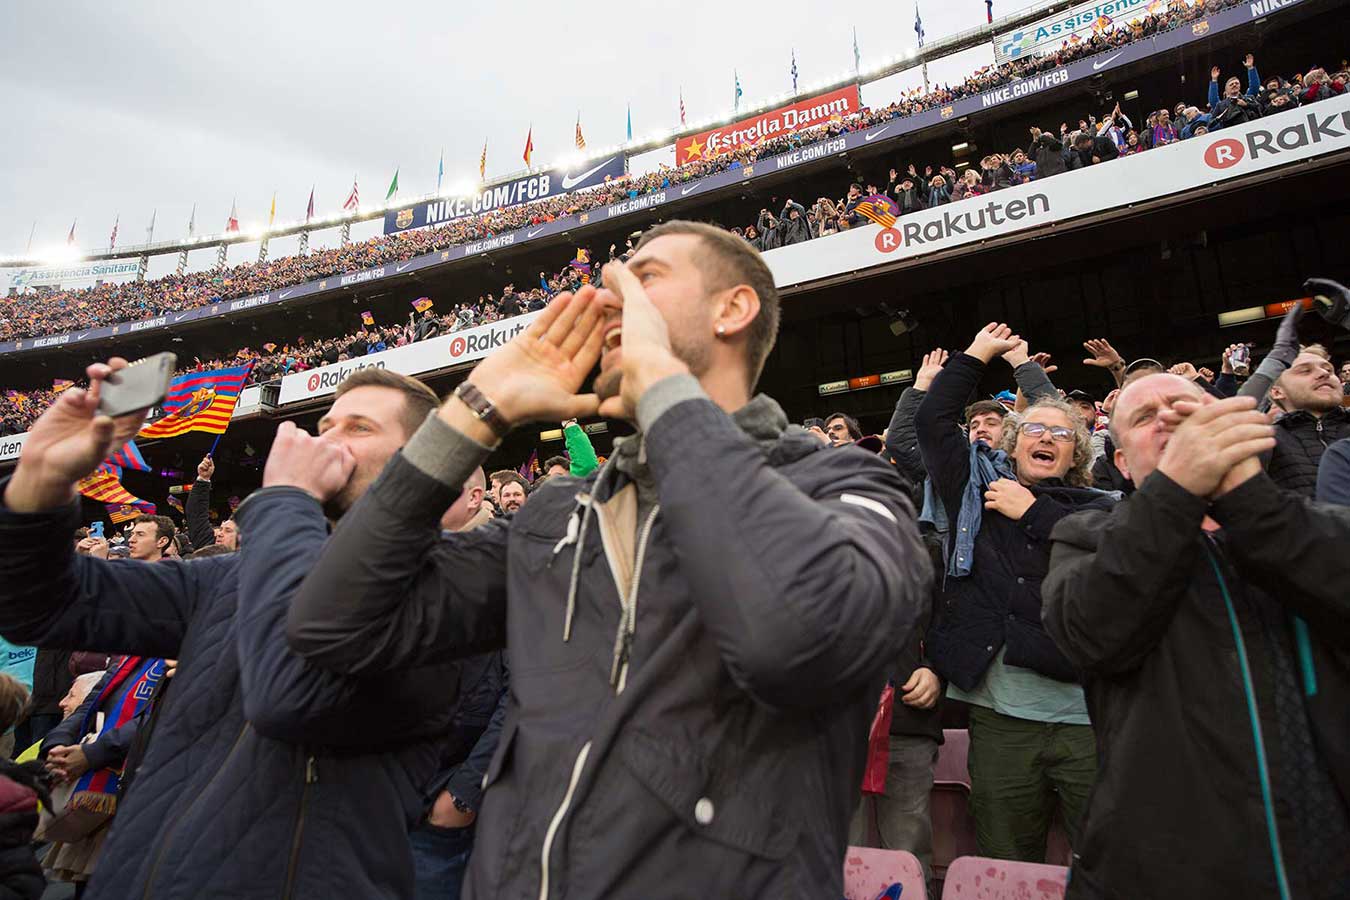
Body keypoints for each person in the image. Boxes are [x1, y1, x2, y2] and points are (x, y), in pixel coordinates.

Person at [284, 220, 932, 898]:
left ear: (732, 310)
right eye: (611, 280)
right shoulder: (554, 514)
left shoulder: (845, 487)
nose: (607, 298)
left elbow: (795, 636)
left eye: (645, 277)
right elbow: (333, 625)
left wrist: (663, 388)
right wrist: (474, 412)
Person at [0, 365, 466, 899]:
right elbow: (41, 605)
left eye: (358, 428)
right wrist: (40, 481)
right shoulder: (228, 578)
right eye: (327, 426)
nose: (326, 441)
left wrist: (289, 498)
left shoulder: (443, 586)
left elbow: (289, 697)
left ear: (419, 461)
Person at [1042, 375, 1350, 899]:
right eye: (1144, 417)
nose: (1167, 416)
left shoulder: (1312, 523)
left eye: (1186, 406)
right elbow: (1093, 634)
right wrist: (1177, 492)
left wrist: (1252, 505)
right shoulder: (1086, 538)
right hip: (1164, 872)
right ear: (1121, 464)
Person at [915, 323, 1115, 863]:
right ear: (1011, 442)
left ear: (1078, 454)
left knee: (1112, 863)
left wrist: (1036, 513)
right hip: (1001, 722)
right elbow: (931, 423)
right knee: (1005, 862)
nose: (1046, 437)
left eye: (1061, 434)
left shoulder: (1104, 506)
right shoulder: (976, 496)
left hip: (1089, 721)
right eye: (1032, 429)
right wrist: (977, 354)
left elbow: (1120, 564)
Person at [414, 470, 508, 900]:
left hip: (446, 800)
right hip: (379, 796)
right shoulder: (401, 559)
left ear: (474, 498)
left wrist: (464, 793)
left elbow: (523, 691)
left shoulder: (505, 566)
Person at [1267, 348, 1350, 495]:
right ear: (1277, 391)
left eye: (1329, 370)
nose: (1324, 373)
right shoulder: (1264, 443)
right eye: (1305, 371)